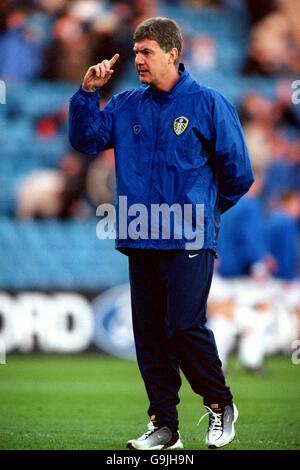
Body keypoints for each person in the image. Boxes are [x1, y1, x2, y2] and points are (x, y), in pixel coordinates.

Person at [69, 17, 254, 450]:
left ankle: (219, 403)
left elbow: (239, 174)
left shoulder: (209, 104)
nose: (138, 60)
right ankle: (164, 425)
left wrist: (206, 214)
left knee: (184, 325)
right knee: (150, 335)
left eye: (146, 52)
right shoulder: (126, 103)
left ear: (173, 53)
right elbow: (87, 140)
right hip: (140, 235)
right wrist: (87, 95)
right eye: (135, 53)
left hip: (190, 238)